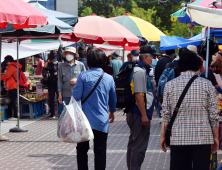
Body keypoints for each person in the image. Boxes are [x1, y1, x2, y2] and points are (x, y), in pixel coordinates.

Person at [160, 50, 219, 170]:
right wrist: (216, 137)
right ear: (197, 65)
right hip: (203, 138)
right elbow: (214, 115)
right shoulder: (207, 85)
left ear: (180, 66)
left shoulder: (170, 85)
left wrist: (162, 136)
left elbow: (165, 115)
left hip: (178, 138)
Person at [72, 49, 117, 170]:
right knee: (100, 151)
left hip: (84, 121)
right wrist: (112, 111)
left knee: (81, 150)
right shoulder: (109, 78)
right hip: (102, 120)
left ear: (88, 61)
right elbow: (113, 99)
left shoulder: (83, 76)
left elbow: (76, 96)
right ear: (103, 61)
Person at [126, 45, 155, 170]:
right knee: (139, 146)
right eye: (153, 57)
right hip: (138, 113)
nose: (154, 59)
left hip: (136, 112)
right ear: (146, 58)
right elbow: (138, 94)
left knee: (134, 144)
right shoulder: (140, 71)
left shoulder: (142, 70)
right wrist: (144, 115)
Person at [155, 49, 175, 123]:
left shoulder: (159, 61)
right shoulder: (170, 63)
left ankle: (161, 116)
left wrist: (157, 83)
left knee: (160, 99)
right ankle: (165, 116)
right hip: (167, 85)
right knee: (166, 100)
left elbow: (156, 72)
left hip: (159, 84)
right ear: (172, 54)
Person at [44, 52, 58, 118]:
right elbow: (44, 73)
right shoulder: (48, 64)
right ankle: (53, 113)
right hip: (52, 84)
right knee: (52, 99)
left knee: (56, 99)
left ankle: (56, 113)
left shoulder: (59, 64)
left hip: (55, 84)